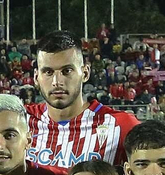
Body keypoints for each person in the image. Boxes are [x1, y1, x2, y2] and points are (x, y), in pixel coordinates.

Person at [25, 30, 139, 167]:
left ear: (85, 73)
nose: (57, 81)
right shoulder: (18, 121)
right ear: (36, 77)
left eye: (67, 71)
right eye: (48, 72)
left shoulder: (121, 126)